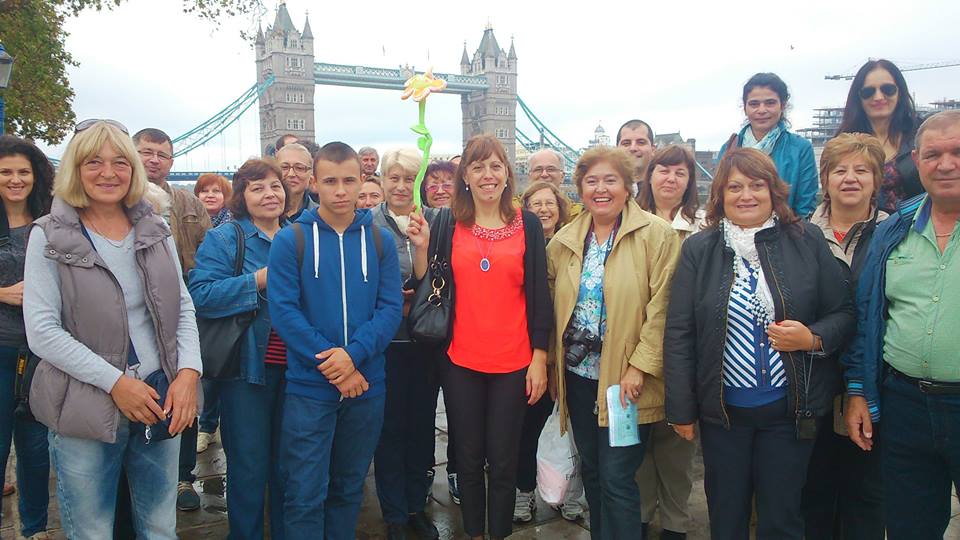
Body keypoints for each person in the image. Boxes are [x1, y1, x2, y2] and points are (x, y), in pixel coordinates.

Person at [23, 120, 203, 539]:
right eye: (94, 162)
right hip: (83, 404)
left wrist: (189, 373)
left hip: (159, 396)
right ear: (75, 169)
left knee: (160, 527)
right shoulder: (48, 235)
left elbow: (183, 308)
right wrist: (116, 383)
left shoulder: (155, 229)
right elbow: (43, 330)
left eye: (120, 162)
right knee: (92, 530)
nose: (108, 173)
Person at [664, 148, 856, 540]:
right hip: (724, 416)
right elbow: (680, 332)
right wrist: (681, 410)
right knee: (727, 515)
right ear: (720, 195)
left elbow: (844, 313)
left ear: (774, 191)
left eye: (756, 185)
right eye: (734, 187)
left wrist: (812, 337)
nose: (746, 195)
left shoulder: (806, 240)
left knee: (781, 519)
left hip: (788, 413)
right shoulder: (699, 250)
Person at [410, 134, 552, 540]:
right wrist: (421, 248)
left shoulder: (527, 223)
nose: (487, 175)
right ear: (465, 177)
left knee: (504, 461)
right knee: (468, 458)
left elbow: (539, 295)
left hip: (514, 360)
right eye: (477, 167)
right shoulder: (447, 221)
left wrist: (539, 357)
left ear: (508, 173)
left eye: (495, 166)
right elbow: (428, 283)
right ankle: (474, 533)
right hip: (460, 359)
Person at [268, 142, 402, 539]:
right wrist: (335, 364)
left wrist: (354, 357)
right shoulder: (290, 241)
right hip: (311, 389)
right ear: (313, 184)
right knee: (305, 494)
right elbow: (285, 313)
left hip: (366, 385)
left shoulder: (380, 242)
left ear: (362, 182)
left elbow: (390, 309)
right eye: (330, 181)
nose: (340, 190)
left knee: (348, 489)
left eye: (348, 180)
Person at [546, 146, 679, 540]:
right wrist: (553, 366)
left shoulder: (657, 235)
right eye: (591, 181)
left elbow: (664, 308)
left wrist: (640, 365)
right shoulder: (565, 240)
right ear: (579, 188)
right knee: (593, 471)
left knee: (619, 475)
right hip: (578, 375)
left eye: (610, 180)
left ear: (628, 187)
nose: (600, 189)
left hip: (626, 381)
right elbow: (552, 308)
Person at [842, 110, 960, 540]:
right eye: (934, 154)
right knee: (910, 527)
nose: (945, 164)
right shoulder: (895, 230)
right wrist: (858, 390)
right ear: (917, 160)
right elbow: (867, 317)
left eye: (957, 152)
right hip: (904, 405)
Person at [189, 158, 290, 539]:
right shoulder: (227, 238)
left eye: (275, 185)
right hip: (248, 369)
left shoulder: (299, 234)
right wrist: (259, 280)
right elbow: (202, 294)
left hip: (297, 369)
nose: (269, 194)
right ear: (242, 196)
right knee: (249, 467)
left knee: (288, 466)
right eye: (257, 187)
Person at [802, 133, 888, 540]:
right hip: (813, 378)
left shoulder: (895, 234)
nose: (850, 179)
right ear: (825, 179)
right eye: (839, 170)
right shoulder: (800, 235)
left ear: (876, 179)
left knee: (866, 492)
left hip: (876, 378)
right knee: (814, 489)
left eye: (861, 170)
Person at [133, 127, 211, 511]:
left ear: (172, 162)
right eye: (146, 152)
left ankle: (183, 478)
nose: (154, 161)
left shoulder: (188, 202)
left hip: (181, 310)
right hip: (133, 318)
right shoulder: (119, 201)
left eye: (162, 155)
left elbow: (207, 252)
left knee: (184, 390)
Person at [370, 149, 442, 540]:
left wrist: (420, 270)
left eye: (409, 178)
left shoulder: (435, 221)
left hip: (425, 341)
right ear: (382, 180)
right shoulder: (367, 224)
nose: (400, 186)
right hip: (385, 343)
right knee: (389, 429)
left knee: (422, 428)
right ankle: (394, 512)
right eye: (392, 177)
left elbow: (441, 280)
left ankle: (417, 505)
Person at [634, 144, 703, 539]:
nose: (671, 179)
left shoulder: (705, 225)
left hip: (683, 351)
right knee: (638, 445)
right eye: (664, 170)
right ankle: (641, 516)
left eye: (680, 172)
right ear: (650, 175)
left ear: (690, 181)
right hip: (638, 349)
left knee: (679, 446)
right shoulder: (631, 222)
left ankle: (676, 524)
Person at [512, 180, 582, 523]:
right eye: (535, 203)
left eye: (549, 202)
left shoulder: (577, 246)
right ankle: (524, 493)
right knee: (529, 428)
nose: (543, 209)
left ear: (561, 207)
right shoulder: (520, 245)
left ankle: (570, 494)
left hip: (574, 355)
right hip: (533, 353)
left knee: (574, 432)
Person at [0, 135, 53, 539]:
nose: (15, 180)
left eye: (23, 172)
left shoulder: (50, 220)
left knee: (36, 452)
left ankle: (34, 529)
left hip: (39, 353)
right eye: (5, 172)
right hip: (1, 349)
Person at [718, 73, 819, 218]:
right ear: (745, 107)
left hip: (786, 234)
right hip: (736, 234)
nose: (761, 110)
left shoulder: (801, 149)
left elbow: (805, 206)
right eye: (754, 104)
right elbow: (720, 198)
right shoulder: (729, 148)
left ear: (782, 105)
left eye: (770, 103)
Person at [836, 59, 922, 212]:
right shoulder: (843, 141)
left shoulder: (921, 134)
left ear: (900, 91)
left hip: (918, 227)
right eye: (868, 92)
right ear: (859, 97)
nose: (878, 97)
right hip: (865, 230)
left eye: (887, 89)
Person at [276, 143, 319, 221]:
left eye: (299, 168)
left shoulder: (320, 217)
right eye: (285, 167)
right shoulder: (260, 215)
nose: (291, 174)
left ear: (311, 174)